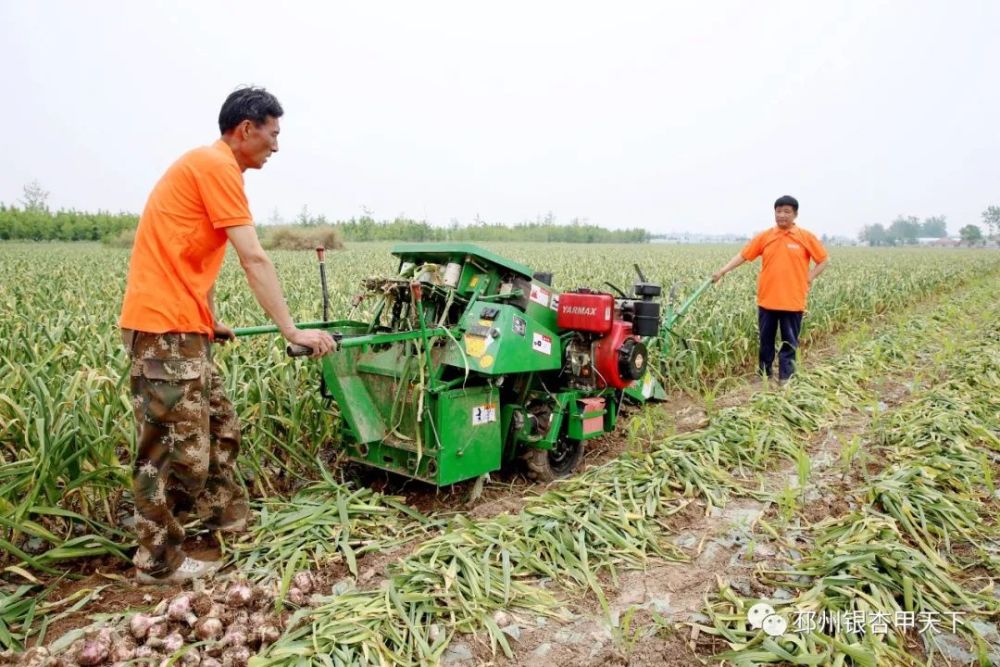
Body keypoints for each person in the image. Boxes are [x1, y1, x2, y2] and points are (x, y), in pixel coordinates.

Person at [119, 87, 336, 584]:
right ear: (246, 130)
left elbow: (193, 256)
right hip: (162, 330)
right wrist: (292, 329)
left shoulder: (211, 170)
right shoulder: (216, 167)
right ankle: (157, 561)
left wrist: (209, 317)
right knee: (171, 449)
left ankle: (226, 517)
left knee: (219, 425)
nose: (276, 147)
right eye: (273, 134)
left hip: (184, 326)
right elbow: (253, 257)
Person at [711, 195, 829, 383]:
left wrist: (810, 276)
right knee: (766, 341)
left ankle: (786, 377)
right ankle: (764, 375)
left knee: (789, 342)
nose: (782, 215)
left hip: (793, 300)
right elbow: (744, 255)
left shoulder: (805, 237)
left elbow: (823, 260)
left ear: (795, 214)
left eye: (786, 212)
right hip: (767, 299)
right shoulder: (766, 236)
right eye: (778, 211)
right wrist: (723, 271)